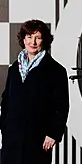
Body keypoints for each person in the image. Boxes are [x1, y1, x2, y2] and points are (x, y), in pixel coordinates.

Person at [0, 19, 69, 164]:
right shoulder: (14, 69)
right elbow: (6, 100)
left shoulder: (56, 70)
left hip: (38, 138)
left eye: (38, 37)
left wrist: (53, 134)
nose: (33, 42)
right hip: (12, 139)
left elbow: (61, 106)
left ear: (44, 40)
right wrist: (4, 128)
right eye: (29, 37)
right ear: (23, 39)